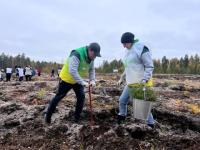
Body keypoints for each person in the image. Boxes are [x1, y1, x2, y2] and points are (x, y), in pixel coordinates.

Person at [45, 42, 101, 124]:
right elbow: (72, 71)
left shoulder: (91, 59)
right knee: (59, 97)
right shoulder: (76, 54)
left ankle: (76, 119)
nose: (95, 57)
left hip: (77, 81)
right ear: (90, 50)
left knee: (81, 97)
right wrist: (82, 82)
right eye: (94, 55)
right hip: (66, 79)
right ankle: (48, 117)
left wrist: (92, 80)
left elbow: (92, 70)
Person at [117, 32, 155, 128]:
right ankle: (122, 116)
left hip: (141, 83)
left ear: (130, 41)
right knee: (122, 100)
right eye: (123, 44)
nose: (124, 46)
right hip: (130, 82)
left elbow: (149, 66)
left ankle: (151, 124)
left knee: (141, 106)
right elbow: (128, 67)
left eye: (125, 43)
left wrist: (144, 80)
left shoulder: (142, 49)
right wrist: (122, 78)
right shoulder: (128, 51)